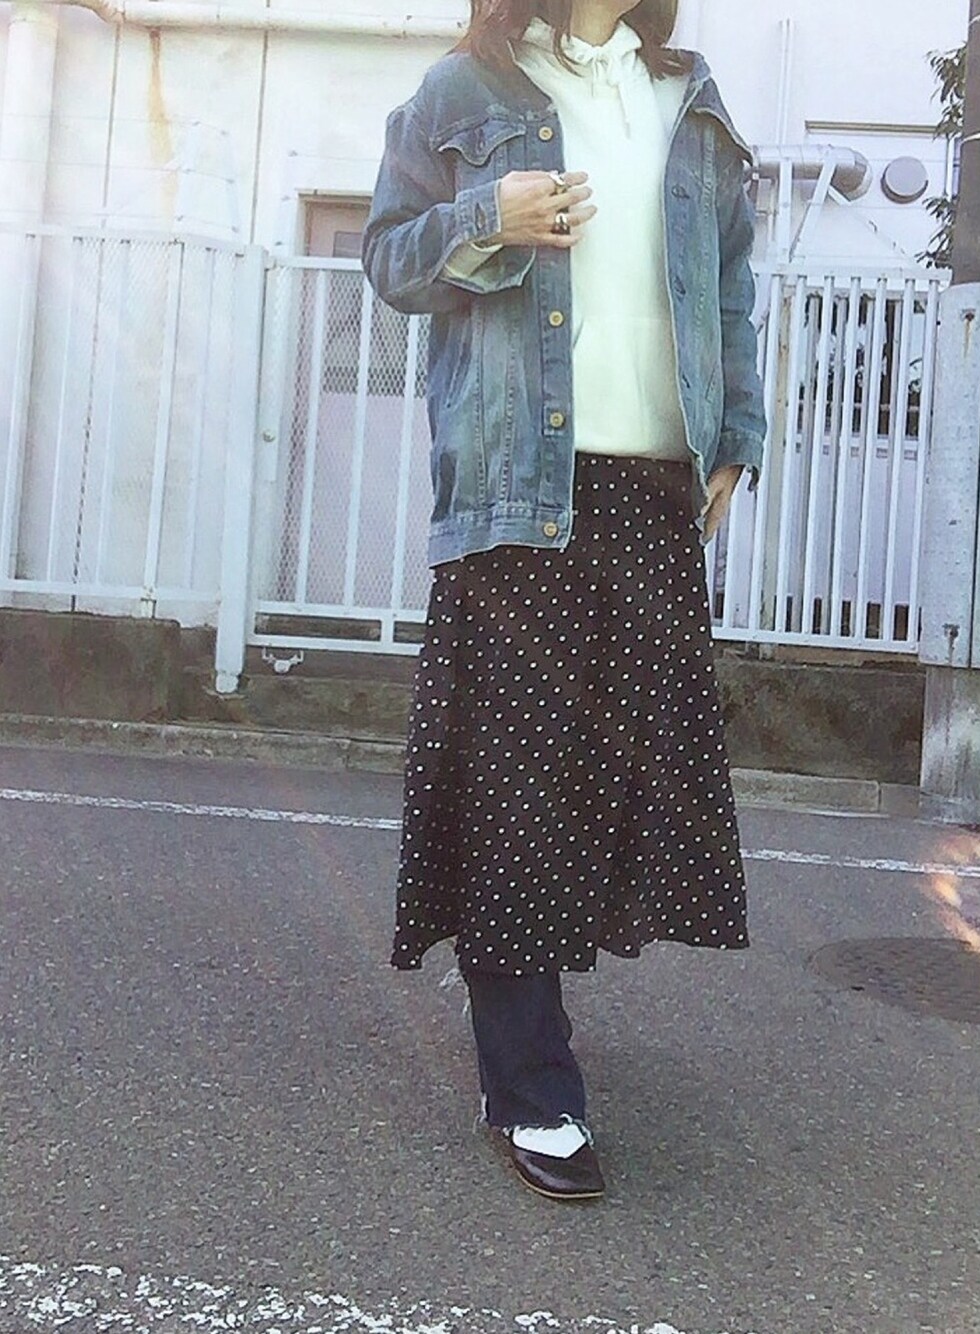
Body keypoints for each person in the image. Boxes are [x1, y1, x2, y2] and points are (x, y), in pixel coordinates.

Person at [362, 0, 766, 1202]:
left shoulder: (686, 97)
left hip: (654, 491)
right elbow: (387, 259)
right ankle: (530, 1081)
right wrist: (486, 215)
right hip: (518, 488)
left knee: (612, 785)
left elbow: (728, 283)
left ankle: (517, 994)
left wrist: (738, 435)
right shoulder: (464, 89)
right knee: (518, 794)